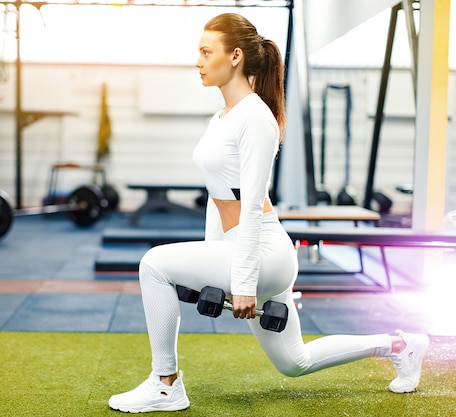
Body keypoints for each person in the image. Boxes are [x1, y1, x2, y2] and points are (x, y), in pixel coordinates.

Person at [108, 13, 429, 413]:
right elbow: (217, 195)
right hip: (240, 249)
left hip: (264, 253)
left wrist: (241, 284)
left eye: (207, 52)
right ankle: (401, 344)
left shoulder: (256, 117)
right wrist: (211, 263)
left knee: (153, 264)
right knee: (295, 362)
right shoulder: (222, 117)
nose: (199, 61)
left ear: (236, 56)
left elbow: (254, 203)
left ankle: (165, 384)